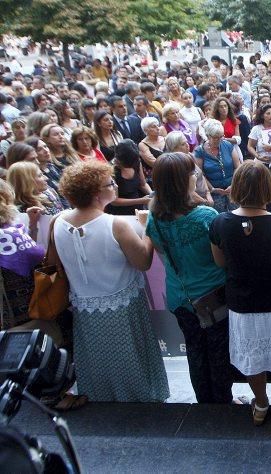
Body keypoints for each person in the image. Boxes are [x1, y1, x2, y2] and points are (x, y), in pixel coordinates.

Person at [53, 160, 169, 402]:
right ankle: (137, 401)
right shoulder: (115, 225)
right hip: (122, 306)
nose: (115, 185)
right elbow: (143, 262)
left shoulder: (58, 220)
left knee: (97, 360)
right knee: (130, 359)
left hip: (84, 307)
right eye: (110, 183)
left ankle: (101, 401)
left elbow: (55, 264)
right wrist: (147, 227)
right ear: (97, 193)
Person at [209, 161, 271, 426]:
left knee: (252, 358)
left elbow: (220, 262)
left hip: (240, 305)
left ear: (237, 187)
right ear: (269, 188)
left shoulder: (220, 223)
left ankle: (261, 406)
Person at [146, 153, 233, 403]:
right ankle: (222, 404)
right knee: (218, 354)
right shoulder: (205, 216)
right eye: (192, 173)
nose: (195, 175)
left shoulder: (154, 217)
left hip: (179, 299)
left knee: (195, 352)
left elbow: (161, 252)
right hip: (213, 299)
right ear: (183, 181)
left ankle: (204, 404)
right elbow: (223, 257)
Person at [0, 179, 45, 330]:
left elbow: (31, 253)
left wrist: (32, 226)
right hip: (19, 317)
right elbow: (36, 256)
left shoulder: (15, 228)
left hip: (28, 312)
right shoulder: (13, 231)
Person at [195, 119, 242, 212]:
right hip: (214, 192)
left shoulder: (227, 145)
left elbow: (238, 166)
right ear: (208, 136)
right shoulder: (200, 151)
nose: (220, 140)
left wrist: (233, 184)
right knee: (219, 218)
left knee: (237, 214)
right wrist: (212, 189)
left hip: (232, 188)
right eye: (216, 137)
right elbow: (200, 174)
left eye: (222, 136)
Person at [105, 139, 152, 215]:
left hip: (137, 208)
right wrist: (141, 200)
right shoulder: (110, 169)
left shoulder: (136, 162)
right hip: (119, 212)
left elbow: (143, 184)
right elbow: (114, 201)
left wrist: (151, 195)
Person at [137, 117, 164, 183]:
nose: (158, 128)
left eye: (158, 126)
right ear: (146, 130)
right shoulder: (142, 145)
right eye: (154, 127)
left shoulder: (165, 139)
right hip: (156, 177)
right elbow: (153, 163)